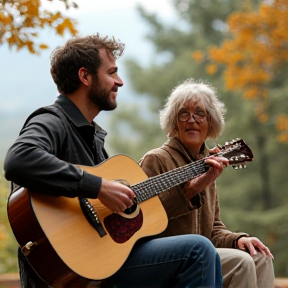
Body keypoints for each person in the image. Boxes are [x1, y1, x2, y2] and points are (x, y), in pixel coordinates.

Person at [4, 34, 222, 288]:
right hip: (70, 266)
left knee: (202, 254)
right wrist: (98, 186)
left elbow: (112, 220)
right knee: (197, 251)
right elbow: (19, 159)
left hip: (102, 261)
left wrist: (189, 189)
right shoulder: (52, 121)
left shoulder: (92, 137)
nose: (119, 81)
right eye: (112, 73)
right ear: (85, 77)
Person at [138, 78, 275, 288]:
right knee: (241, 262)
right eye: (184, 113)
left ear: (210, 122)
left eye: (200, 113)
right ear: (174, 122)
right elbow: (142, 218)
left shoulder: (207, 164)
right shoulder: (156, 159)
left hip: (204, 257)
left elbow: (212, 231)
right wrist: (192, 189)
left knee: (260, 257)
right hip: (167, 261)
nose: (192, 120)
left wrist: (236, 240)